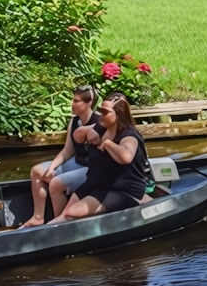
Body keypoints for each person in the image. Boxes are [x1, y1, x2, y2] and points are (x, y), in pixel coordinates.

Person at [51, 92, 150, 222]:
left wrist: (108, 143)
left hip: (124, 189)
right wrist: (86, 131)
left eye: (105, 112)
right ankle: (44, 233)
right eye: (100, 111)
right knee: (65, 215)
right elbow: (77, 137)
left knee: (71, 213)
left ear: (118, 115)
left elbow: (126, 157)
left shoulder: (129, 135)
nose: (100, 115)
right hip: (99, 182)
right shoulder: (101, 127)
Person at [23, 85, 100, 227]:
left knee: (55, 183)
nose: (72, 103)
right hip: (77, 162)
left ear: (89, 103)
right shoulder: (74, 121)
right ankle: (37, 217)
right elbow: (67, 151)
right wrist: (52, 167)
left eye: (77, 101)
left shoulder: (99, 122)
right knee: (37, 171)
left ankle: (60, 225)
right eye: (73, 100)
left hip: (92, 168)